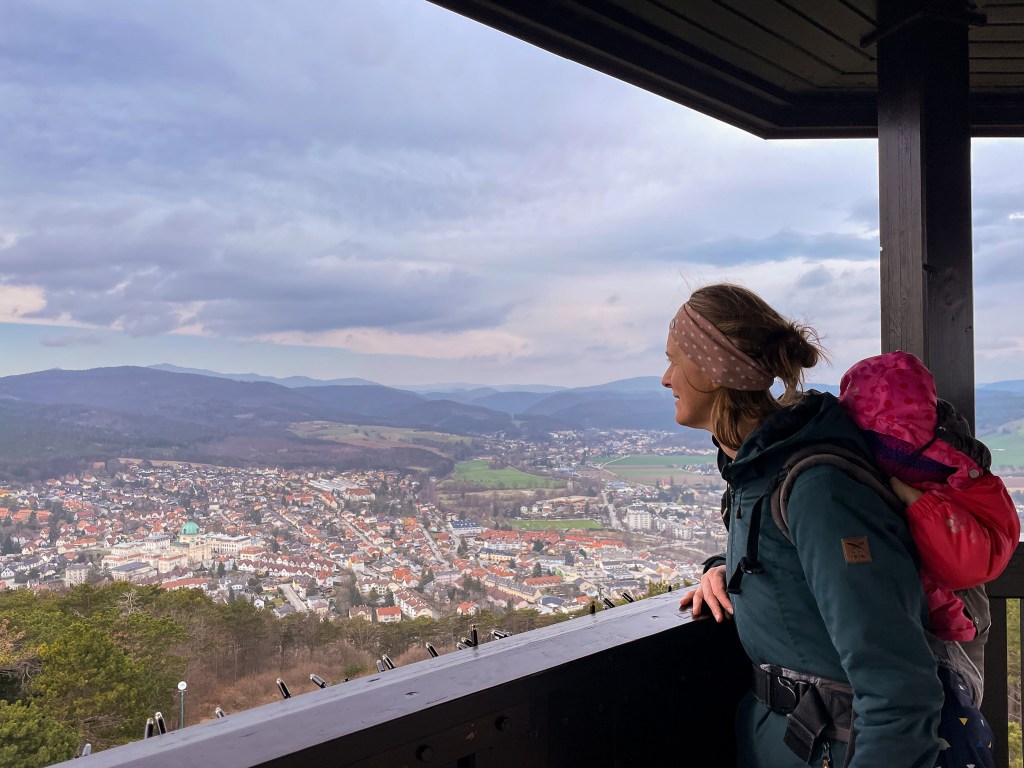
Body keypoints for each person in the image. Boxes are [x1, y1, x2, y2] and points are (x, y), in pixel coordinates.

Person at [668, 284, 942, 768]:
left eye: (675, 360)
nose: (667, 378)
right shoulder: (759, 469)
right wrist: (722, 569)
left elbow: (899, 690)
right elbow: (791, 569)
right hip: (793, 743)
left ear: (713, 372)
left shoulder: (817, 489)